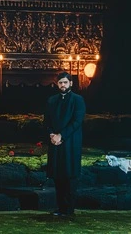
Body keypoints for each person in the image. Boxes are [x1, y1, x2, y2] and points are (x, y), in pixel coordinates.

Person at [44, 71, 85, 217]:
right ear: (57, 84)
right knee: (57, 175)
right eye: (60, 82)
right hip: (55, 142)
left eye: (65, 82)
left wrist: (61, 135)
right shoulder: (51, 100)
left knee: (70, 175)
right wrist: (52, 135)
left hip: (71, 142)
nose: (63, 85)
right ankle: (61, 208)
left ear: (70, 83)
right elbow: (47, 121)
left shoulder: (78, 100)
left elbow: (77, 121)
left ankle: (69, 209)